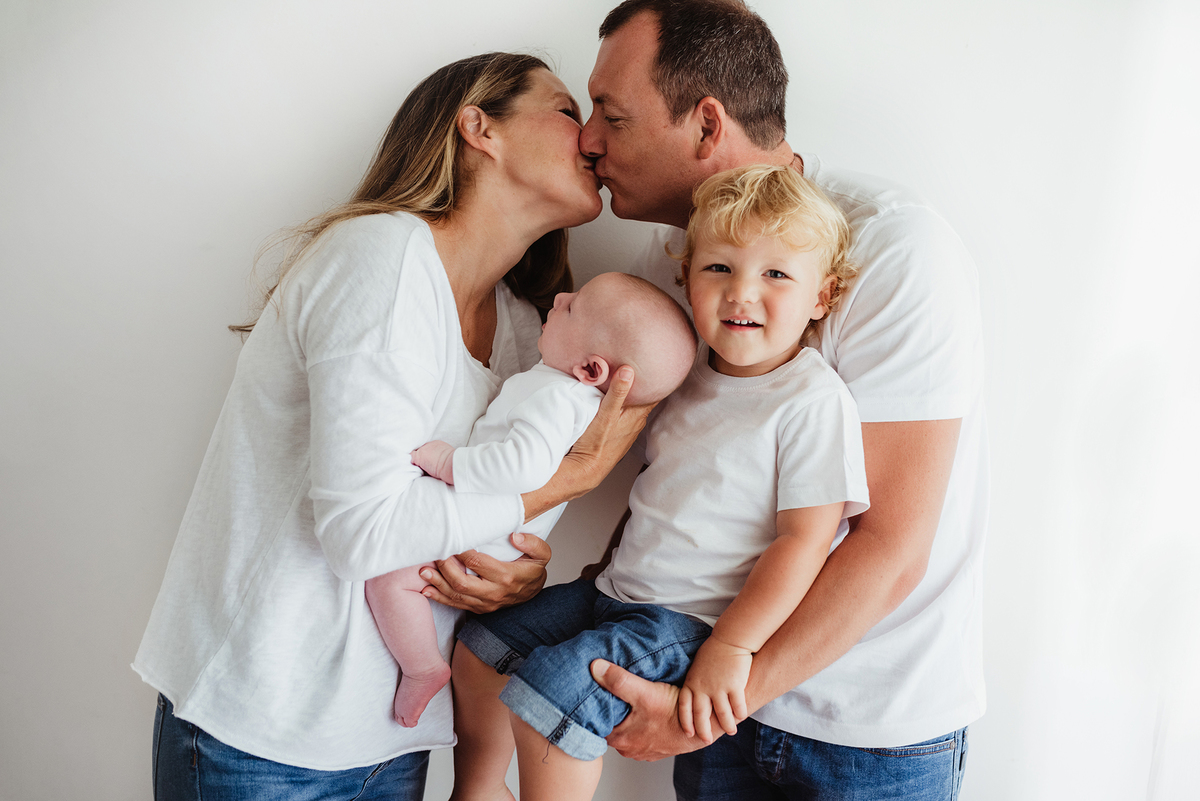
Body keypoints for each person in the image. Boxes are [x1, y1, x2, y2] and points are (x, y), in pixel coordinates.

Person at [132, 52, 650, 801]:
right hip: (265, 733)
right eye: (569, 110)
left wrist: (508, 578)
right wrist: (568, 480)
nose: (596, 140)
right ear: (480, 128)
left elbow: (463, 517)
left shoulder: (526, 329)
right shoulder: (379, 256)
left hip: (392, 735)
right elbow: (363, 534)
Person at [515, 1, 986, 798]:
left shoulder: (893, 251)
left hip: (860, 734)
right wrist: (504, 549)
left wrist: (708, 705)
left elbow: (888, 546)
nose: (588, 138)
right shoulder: (672, 258)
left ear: (706, 126)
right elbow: (663, 462)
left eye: (611, 113)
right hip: (711, 692)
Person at [450, 163, 870, 801]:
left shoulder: (812, 401)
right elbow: (653, 484)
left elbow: (806, 542)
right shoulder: (686, 374)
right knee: (485, 641)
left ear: (822, 297)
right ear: (687, 277)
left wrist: (733, 648)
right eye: (718, 268)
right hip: (615, 591)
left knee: (555, 690)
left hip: (690, 620)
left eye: (776, 274)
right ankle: (479, 790)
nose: (740, 293)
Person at [365, 271, 695, 728]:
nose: (559, 297)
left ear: (591, 369)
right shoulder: (564, 395)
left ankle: (422, 668)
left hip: (489, 538)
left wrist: (449, 463)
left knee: (387, 582)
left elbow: (524, 467)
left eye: (573, 306)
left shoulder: (558, 397)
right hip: (496, 529)